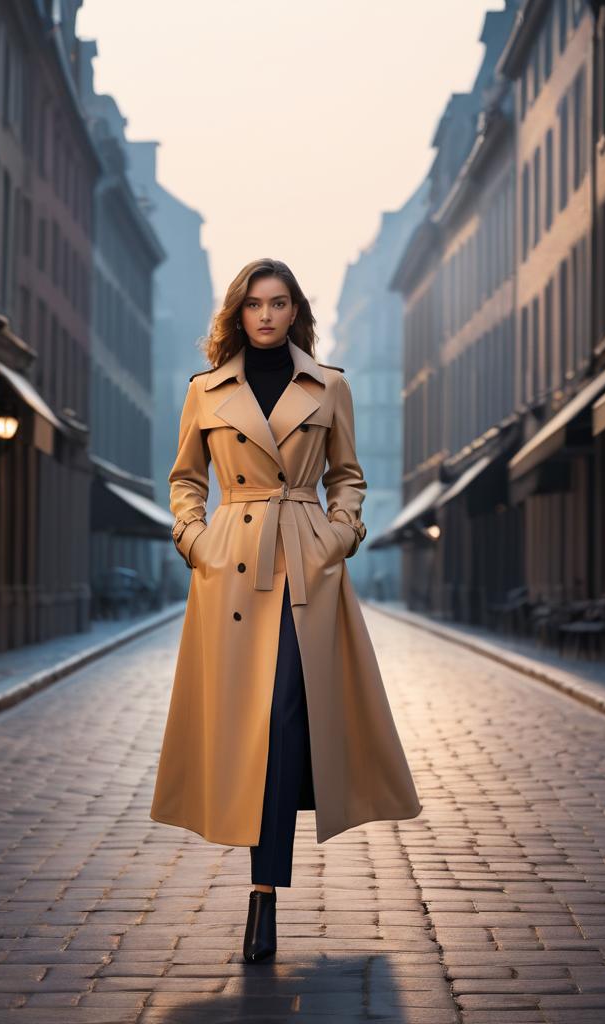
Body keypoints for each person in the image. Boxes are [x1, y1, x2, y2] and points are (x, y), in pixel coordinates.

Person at [151, 258, 422, 964]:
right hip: (232, 568)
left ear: (295, 310)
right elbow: (186, 479)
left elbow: (348, 476)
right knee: (249, 729)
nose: (266, 315)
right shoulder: (205, 391)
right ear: (237, 315)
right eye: (253, 305)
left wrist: (340, 534)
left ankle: (262, 896)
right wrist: (194, 539)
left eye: (278, 303)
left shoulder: (329, 385)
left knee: (286, 719)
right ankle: (262, 885)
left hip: (305, 564)